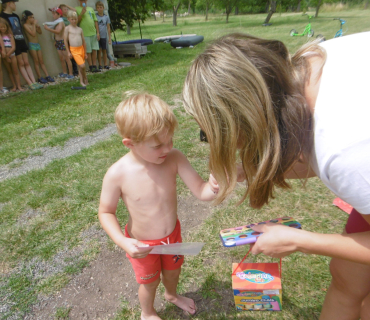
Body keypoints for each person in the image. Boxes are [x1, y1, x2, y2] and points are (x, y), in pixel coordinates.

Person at [182, 32, 370, 319]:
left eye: (209, 133)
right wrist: (256, 170)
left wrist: (300, 241)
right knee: (348, 275)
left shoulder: (343, 149)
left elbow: (332, 157)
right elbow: (311, 155)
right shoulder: (306, 67)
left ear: (242, 120)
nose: (210, 140)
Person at [98, 93, 219, 320]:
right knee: (150, 282)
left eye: (170, 140)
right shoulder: (117, 174)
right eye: (157, 145)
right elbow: (106, 212)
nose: (167, 148)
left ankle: (172, 295)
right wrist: (123, 242)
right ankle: (148, 312)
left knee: (173, 274)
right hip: (142, 246)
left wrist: (213, 186)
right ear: (129, 143)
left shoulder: (174, 158)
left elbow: (201, 191)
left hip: (172, 237)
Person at [0, 0, 42, 90]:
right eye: (14, 3)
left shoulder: (15, 16)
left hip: (21, 40)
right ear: (8, 3)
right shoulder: (2, 16)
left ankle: (34, 81)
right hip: (13, 43)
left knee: (26, 62)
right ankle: (29, 83)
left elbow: (19, 29)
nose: (15, 5)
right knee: (21, 63)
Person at [65, 0, 101, 73]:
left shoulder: (90, 9)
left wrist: (98, 33)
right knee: (88, 51)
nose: (83, 1)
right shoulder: (77, 9)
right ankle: (91, 66)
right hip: (85, 33)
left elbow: (95, 21)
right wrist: (81, 13)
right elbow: (77, 21)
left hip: (93, 32)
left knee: (94, 50)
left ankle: (95, 65)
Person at [21, 10, 54, 84]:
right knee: (36, 62)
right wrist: (34, 25)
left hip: (37, 44)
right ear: (28, 18)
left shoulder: (33, 25)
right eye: (32, 17)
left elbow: (40, 33)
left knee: (41, 61)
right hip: (32, 45)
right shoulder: (25, 25)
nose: (33, 19)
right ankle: (39, 77)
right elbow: (32, 34)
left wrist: (38, 27)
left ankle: (47, 75)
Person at [44, 7, 74, 80]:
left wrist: (48, 29)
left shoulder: (60, 22)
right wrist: (55, 40)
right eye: (52, 14)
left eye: (54, 14)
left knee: (67, 58)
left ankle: (71, 73)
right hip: (58, 42)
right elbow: (56, 34)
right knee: (61, 58)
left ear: (59, 14)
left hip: (62, 42)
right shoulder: (56, 22)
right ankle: (64, 72)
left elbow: (58, 31)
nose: (53, 15)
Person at [64, 11, 88, 87]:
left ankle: (82, 81)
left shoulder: (80, 29)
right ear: (68, 19)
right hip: (74, 50)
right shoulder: (67, 28)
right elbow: (65, 40)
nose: (74, 21)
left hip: (81, 48)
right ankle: (85, 78)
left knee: (80, 66)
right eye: (72, 19)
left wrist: (86, 52)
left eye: (75, 19)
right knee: (82, 66)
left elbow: (84, 41)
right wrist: (68, 52)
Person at [0, 17, 23, 92]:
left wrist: (8, 55)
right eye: (1, 27)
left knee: (15, 71)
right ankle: (14, 86)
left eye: (4, 27)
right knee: (9, 71)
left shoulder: (10, 35)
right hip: (4, 56)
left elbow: (13, 47)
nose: (2, 28)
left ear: (7, 26)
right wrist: (6, 57)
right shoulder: (0, 36)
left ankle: (19, 86)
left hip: (12, 55)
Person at [58, 4, 78, 76]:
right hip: (65, 39)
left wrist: (67, 6)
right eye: (64, 9)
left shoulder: (70, 18)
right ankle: (70, 71)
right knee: (67, 55)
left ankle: (75, 70)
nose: (66, 10)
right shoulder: (60, 19)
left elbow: (75, 11)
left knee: (73, 54)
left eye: (67, 9)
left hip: (71, 38)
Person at [95, 1, 111, 70]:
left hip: (104, 36)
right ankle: (100, 65)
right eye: (98, 7)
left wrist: (109, 38)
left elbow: (108, 27)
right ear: (96, 8)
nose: (100, 9)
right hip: (98, 36)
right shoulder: (96, 16)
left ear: (103, 8)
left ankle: (105, 64)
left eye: (101, 7)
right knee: (99, 50)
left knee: (104, 50)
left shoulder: (106, 17)